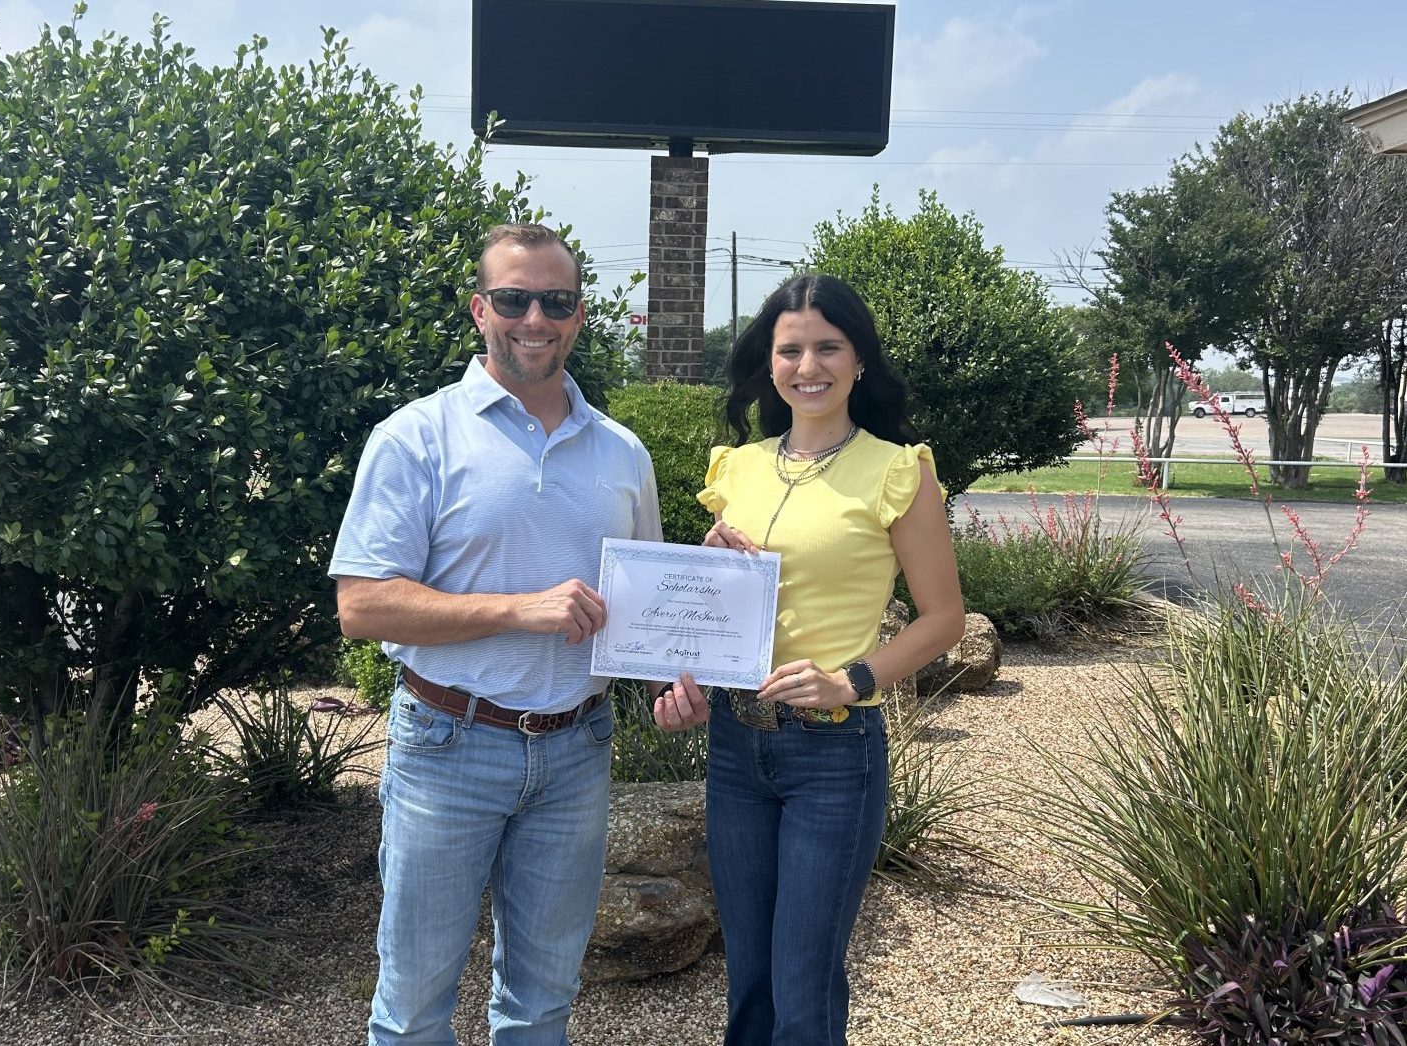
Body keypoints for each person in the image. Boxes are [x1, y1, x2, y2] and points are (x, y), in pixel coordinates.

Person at [330, 223, 674, 1045]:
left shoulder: (623, 453)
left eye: (555, 301)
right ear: (480, 310)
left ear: (580, 315)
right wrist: (520, 608)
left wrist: (679, 676)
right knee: (413, 1009)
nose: (535, 318)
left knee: (543, 1004)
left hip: (577, 748)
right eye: (515, 299)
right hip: (450, 743)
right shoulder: (416, 436)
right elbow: (362, 606)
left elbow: (649, 607)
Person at [653, 273, 966, 1046]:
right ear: (769, 363)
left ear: (859, 360)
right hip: (734, 745)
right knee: (749, 982)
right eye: (789, 349)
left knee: (802, 987)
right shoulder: (739, 469)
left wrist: (852, 679)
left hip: (833, 751)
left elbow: (945, 619)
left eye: (828, 346)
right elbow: (721, 611)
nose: (808, 365)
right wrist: (683, 676)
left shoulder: (899, 470)